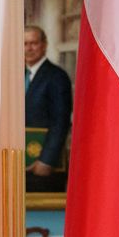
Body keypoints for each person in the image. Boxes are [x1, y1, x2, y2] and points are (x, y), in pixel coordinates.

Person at [24, 25, 72, 191]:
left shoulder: (57, 77)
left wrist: (46, 160)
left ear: (44, 45)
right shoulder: (16, 75)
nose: (28, 48)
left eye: (33, 43)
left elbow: (61, 121)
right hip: (19, 163)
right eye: (24, 44)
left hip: (44, 167)